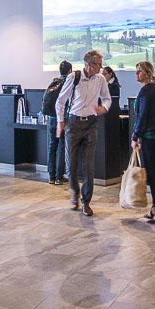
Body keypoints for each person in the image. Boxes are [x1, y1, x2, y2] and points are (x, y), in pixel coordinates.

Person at [55, 49, 111, 216]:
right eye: (98, 64)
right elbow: (60, 101)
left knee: (88, 165)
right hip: (73, 123)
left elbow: (107, 99)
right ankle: (75, 193)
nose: (101, 68)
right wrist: (60, 122)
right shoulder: (74, 77)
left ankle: (86, 201)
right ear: (89, 64)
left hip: (91, 124)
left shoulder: (100, 79)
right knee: (71, 163)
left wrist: (104, 108)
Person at [130, 60, 155, 223]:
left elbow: (143, 116)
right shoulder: (153, 89)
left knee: (153, 174)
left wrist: (135, 136)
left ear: (147, 73)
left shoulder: (147, 91)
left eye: (139, 71)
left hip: (151, 137)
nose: (136, 74)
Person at [42, 60, 71, 185]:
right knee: (61, 146)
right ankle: (59, 177)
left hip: (51, 119)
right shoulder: (68, 83)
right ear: (70, 71)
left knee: (51, 146)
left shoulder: (54, 81)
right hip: (62, 119)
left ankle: (51, 176)